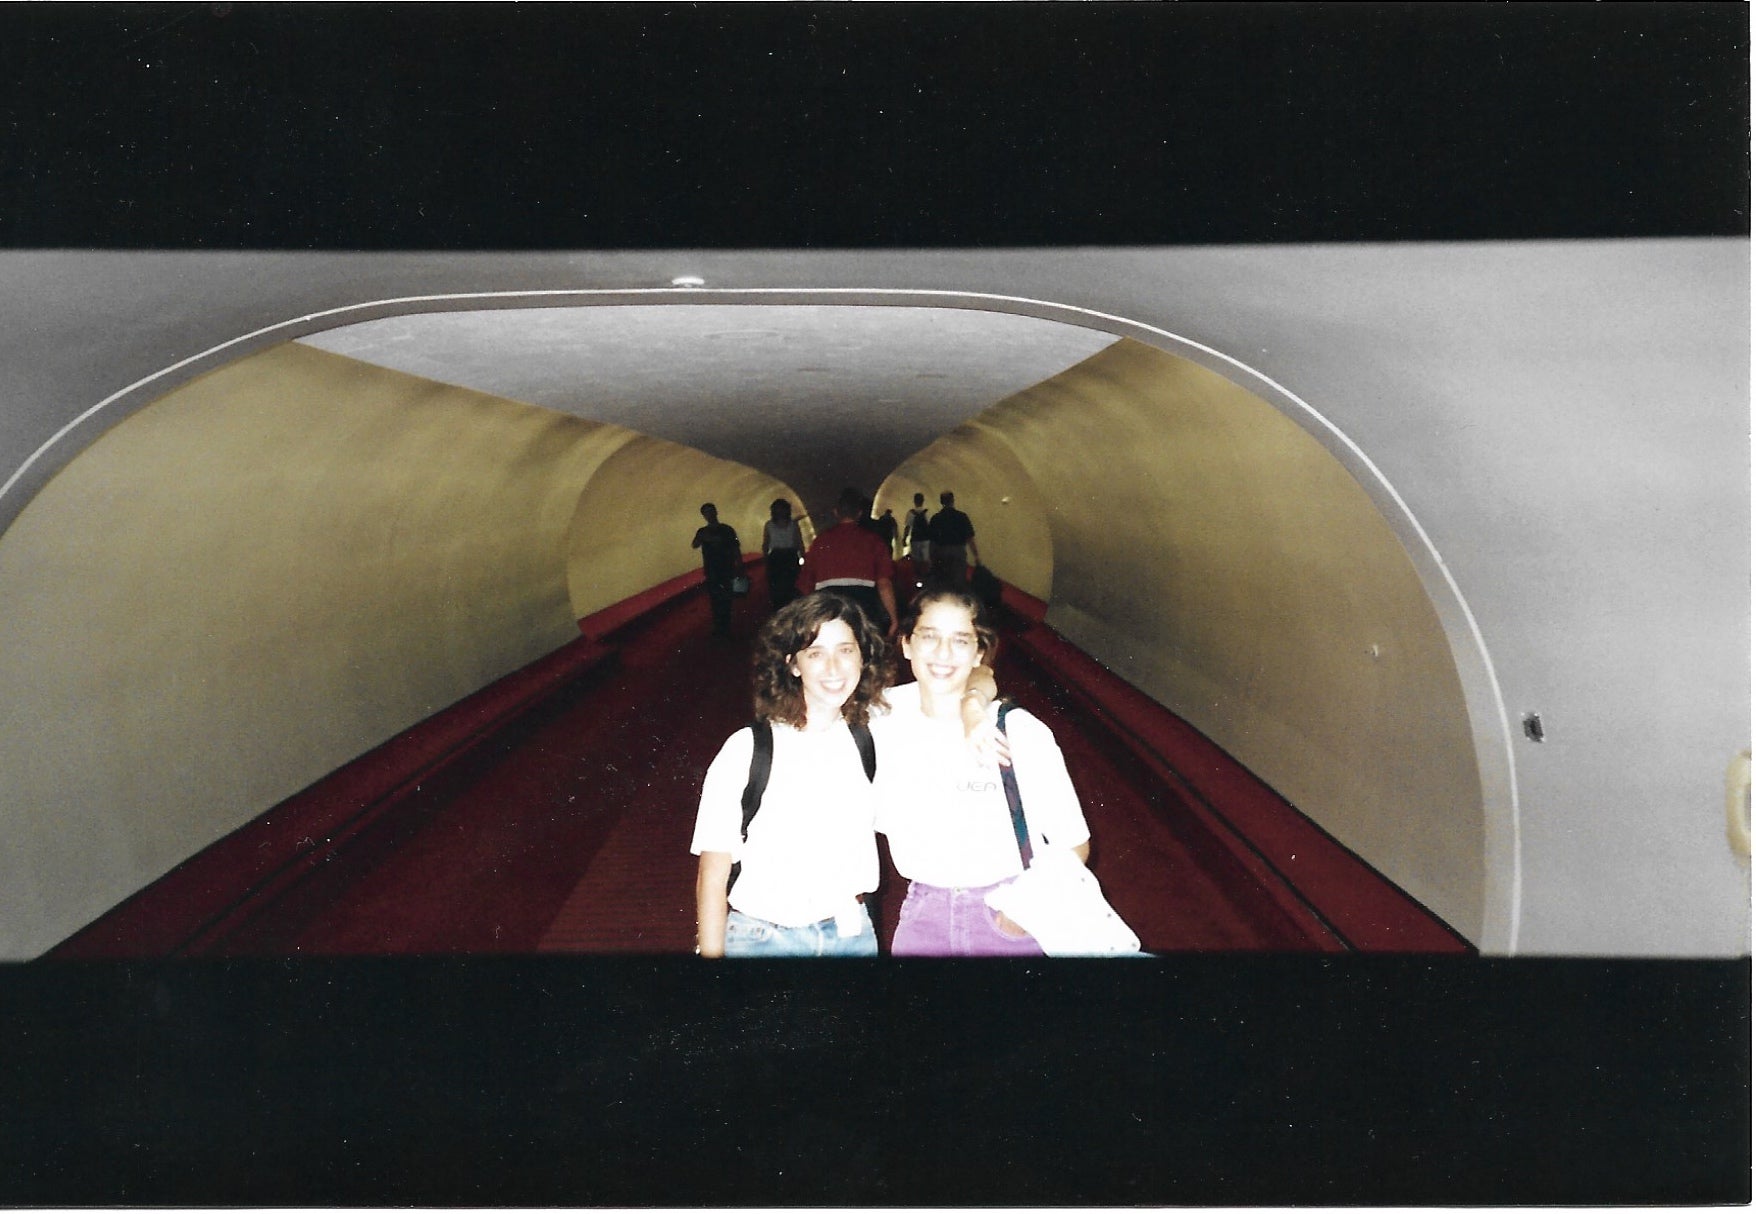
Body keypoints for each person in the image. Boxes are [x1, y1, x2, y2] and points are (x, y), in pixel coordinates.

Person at [873, 583, 1092, 956]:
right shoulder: (877, 717)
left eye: (961, 641)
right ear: (906, 643)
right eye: (929, 637)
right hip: (922, 914)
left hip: (1008, 913)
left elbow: (1074, 845)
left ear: (979, 654)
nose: (943, 654)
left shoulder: (1018, 731)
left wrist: (1017, 917)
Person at [691, 592, 895, 957]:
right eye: (815, 654)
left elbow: (966, 677)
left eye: (845, 650)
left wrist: (977, 698)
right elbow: (713, 871)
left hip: (852, 935)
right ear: (793, 665)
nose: (833, 668)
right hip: (764, 939)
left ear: (863, 657)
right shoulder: (748, 749)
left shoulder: (875, 732)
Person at [798, 486, 899, 638]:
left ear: (836, 512)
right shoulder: (873, 541)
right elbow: (884, 584)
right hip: (864, 608)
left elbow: (806, 584)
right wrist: (893, 618)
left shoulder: (820, 541)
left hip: (829, 607)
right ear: (859, 513)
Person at [691, 503, 743, 636]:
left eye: (711, 511)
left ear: (716, 512)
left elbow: (735, 548)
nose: (709, 515)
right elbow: (694, 544)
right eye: (706, 513)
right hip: (712, 570)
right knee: (715, 599)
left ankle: (725, 626)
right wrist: (702, 538)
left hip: (726, 568)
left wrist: (739, 565)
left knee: (726, 598)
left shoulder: (727, 530)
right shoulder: (702, 532)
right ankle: (719, 626)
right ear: (704, 516)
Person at [927, 490, 979, 584]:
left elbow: (932, 541)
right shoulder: (962, 517)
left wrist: (931, 558)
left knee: (943, 579)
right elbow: (970, 538)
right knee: (958, 580)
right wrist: (976, 555)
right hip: (958, 551)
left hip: (942, 552)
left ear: (941, 502)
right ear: (953, 500)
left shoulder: (936, 518)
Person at [761, 498, 804, 609]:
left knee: (792, 587)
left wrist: (802, 558)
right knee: (777, 590)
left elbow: (799, 542)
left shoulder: (793, 524)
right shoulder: (769, 525)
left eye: (782, 509)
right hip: (776, 557)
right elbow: (766, 543)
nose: (780, 512)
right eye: (778, 509)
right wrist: (766, 561)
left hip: (790, 556)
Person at [903, 492, 932, 586]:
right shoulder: (928, 512)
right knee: (926, 559)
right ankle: (926, 578)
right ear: (923, 501)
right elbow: (931, 527)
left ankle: (917, 578)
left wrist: (905, 537)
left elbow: (907, 527)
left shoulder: (911, 513)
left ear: (914, 501)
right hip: (926, 539)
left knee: (916, 560)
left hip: (915, 539)